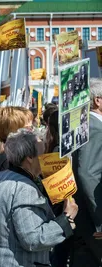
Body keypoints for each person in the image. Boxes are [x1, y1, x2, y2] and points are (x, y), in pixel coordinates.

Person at [0, 129, 78, 267]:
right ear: (30, 158)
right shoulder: (24, 188)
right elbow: (33, 239)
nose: (46, 157)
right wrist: (67, 218)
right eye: (42, 153)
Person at [72, 78, 102, 267]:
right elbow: (88, 174)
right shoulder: (94, 127)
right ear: (98, 100)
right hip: (92, 216)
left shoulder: (84, 122)